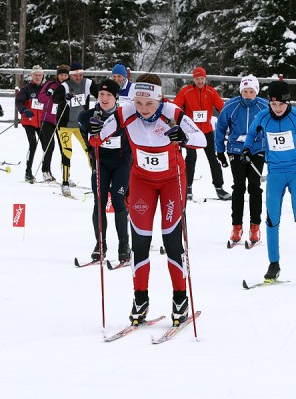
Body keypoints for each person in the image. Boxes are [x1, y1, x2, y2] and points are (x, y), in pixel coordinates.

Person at [92, 73, 207, 327]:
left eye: (150, 104)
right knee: (140, 242)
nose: (144, 110)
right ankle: (140, 299)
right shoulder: (126, 112)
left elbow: (202, 139)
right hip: (141, 182)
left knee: (171, 239)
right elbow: (98, 138)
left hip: (171, 182)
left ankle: (180, 298)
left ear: (159, 99)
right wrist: (92, 130)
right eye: (140, 103)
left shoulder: (172, 113)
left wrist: (184, 138)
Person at [242, 80, 296, 281]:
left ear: (287, 102)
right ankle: (274, 264)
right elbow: (252, 133)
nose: (277, 108)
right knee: (272, 219)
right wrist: (246, 148)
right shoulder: (263, 117)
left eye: (280, 104)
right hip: (275, 173)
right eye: (273, 104)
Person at [79, 79, 132, 263]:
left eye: (109, 95)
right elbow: (83, 133)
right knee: (99, 201)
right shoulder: (88, 116)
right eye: (101, 94)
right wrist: (91, 142)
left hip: (121, 163)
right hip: (101, 162)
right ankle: (100, 244)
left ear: (116, 97)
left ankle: (124, 246)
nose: (104, 98)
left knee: (118, 199)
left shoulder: (123, 115)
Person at [215, 75, 269, 244]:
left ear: (256, 92)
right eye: (245, 91)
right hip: (236, 150)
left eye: (251, 91)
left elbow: (272, 128)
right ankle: (236, 227)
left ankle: (255, 227)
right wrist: (220, 151)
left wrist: (270, 151)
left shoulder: (264, 106)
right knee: (238, 186)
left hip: (257, 149)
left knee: (254, 186)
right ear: (240, 91)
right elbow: (220, 128)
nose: (247, 95)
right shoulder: (231, 106)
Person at [173, 66, 230, 201]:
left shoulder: (211, 92)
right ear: (194, 79)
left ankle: (219, 188)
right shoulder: (186, 91)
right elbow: (175, 107)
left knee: (213, 158)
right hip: (191, 131)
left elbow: (222, 107)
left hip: (207, 131)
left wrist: (229, 119)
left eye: (202, 78)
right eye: (197, 79)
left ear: (205, 79)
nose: (200, 81)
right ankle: (187, 188)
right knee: (191, 158)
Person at [52, 61, 98, 196]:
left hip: (80, 125)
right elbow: (55, 98)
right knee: (67, 152)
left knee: (90, 151)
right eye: (75, 75)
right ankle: (65, 183)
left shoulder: (88, 84)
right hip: (65, 125)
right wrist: (64, 97)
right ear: (71, 75)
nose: (78, 78)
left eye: (80, 75)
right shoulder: (65, 86)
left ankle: (97, 182)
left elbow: (99, 93)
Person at [37, 64, 70, 182]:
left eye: (65, 75)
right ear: (57, 75)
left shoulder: (70, 86)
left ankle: (66, 175)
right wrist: (48, 94)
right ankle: (46, 171)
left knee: (65, 148)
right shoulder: (50, 85)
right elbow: (40, 98)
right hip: (48, 120)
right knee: (49, 146)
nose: (63, 77)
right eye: (61, 75)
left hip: (63, 121)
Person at [16, 65, 45, 183]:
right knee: (33, 144)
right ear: (31, 76)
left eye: (40, 75)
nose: (38, 77)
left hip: (41, 122)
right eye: (36, 75)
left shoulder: (45, 89)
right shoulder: (26, 89)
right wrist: (24, 110)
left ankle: (46, 171)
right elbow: (19, 102)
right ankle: (28, 172)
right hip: (29, 121)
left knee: (47, 146)